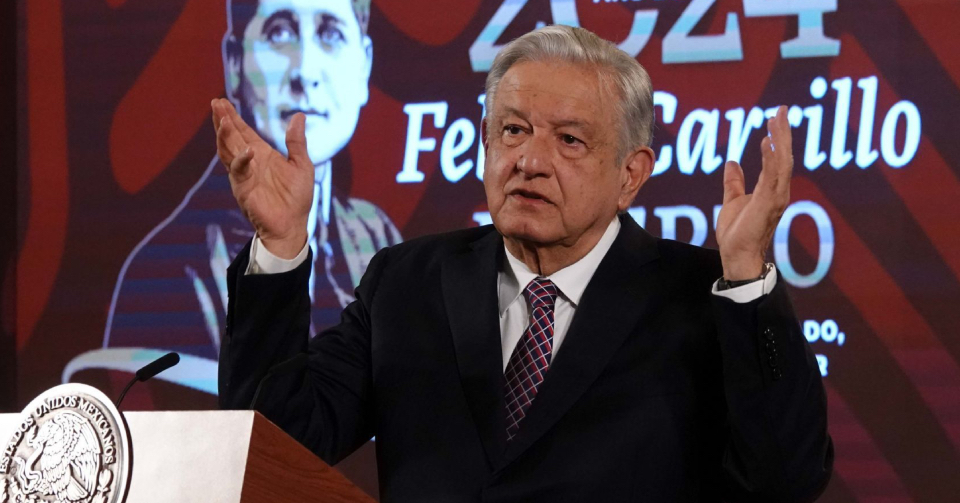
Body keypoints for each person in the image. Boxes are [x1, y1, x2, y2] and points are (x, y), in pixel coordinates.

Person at [214, 25, 833, 501]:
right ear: (486, 140)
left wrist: (746, 276)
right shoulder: (407, 282)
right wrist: (280, 246)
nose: (530, 162)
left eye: (569, 140)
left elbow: (787, 479)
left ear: (630, 175)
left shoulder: (697, 298)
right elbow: (274, 443)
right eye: (513, 131)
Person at [63, 0, 399, 394]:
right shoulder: (164, 277)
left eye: (329, 33)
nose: (304, 69)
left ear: (363, 65)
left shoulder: (378, 242)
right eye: (280, 32)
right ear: (234, 63)